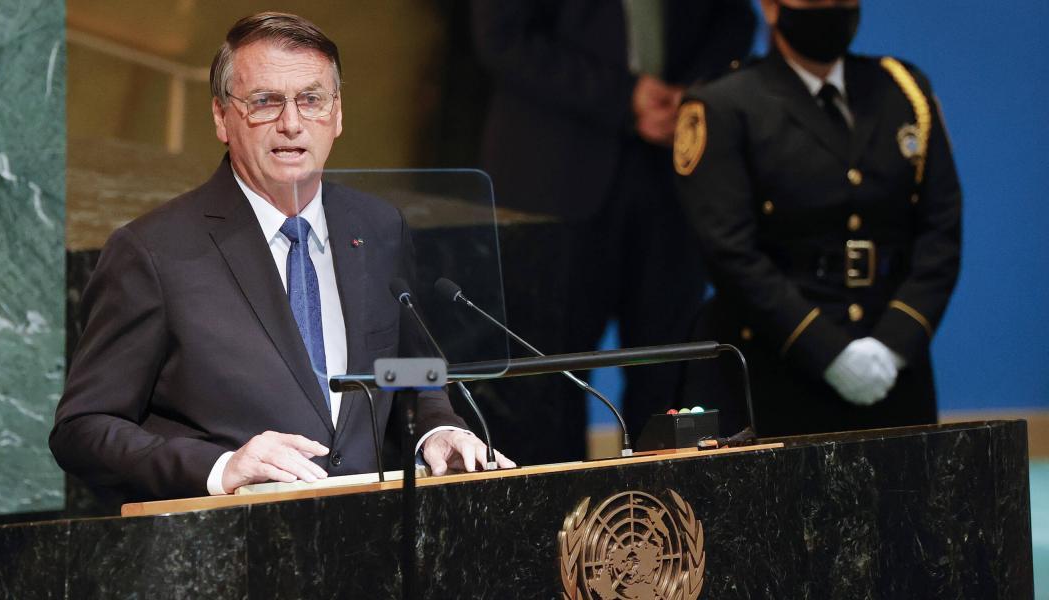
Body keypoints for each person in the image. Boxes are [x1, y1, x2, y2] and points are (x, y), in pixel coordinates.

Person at [50, 12, 512, 502]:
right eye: (265, 102)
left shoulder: (378, 228)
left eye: (310, 100)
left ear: (336, 115)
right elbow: (83, 429)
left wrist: (435, 430)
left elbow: (412, 372)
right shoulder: (152, 251)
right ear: (221, 118)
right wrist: (220, 468)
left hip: (370, 546)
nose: (291, 123)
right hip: (229, 549)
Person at [471, 0, 757, 462]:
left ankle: (669, 522)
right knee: (545, 380)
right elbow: (503, 37)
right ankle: (553, 527)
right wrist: (624, 96)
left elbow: (734, 17)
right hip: (551, 180)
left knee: (672, 375)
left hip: (673, 175)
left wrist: (693, 93)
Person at [674, 0, 961, 437]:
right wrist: (828, 352)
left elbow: (941, 228)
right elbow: (729, 250)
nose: (831, 6)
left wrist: (896, 343)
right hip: (776, 366)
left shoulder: (904, 91)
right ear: (771, 8)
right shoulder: (723, 104)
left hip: (893, 367)